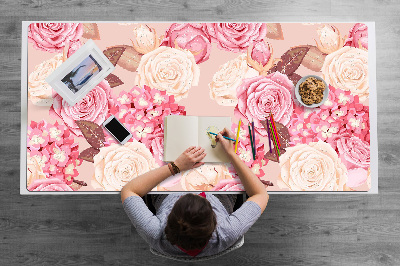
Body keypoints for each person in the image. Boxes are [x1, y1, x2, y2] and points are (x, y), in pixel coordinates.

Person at [121, 128, 269, 258]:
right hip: (221, 197)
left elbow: (128, 190)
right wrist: (231, 153)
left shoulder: (155, 233)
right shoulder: (227, 232)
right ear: (214, 222)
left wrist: (175, 166)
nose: (197, 193)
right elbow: (261, 194)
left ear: (169, 219)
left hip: (165, 195)